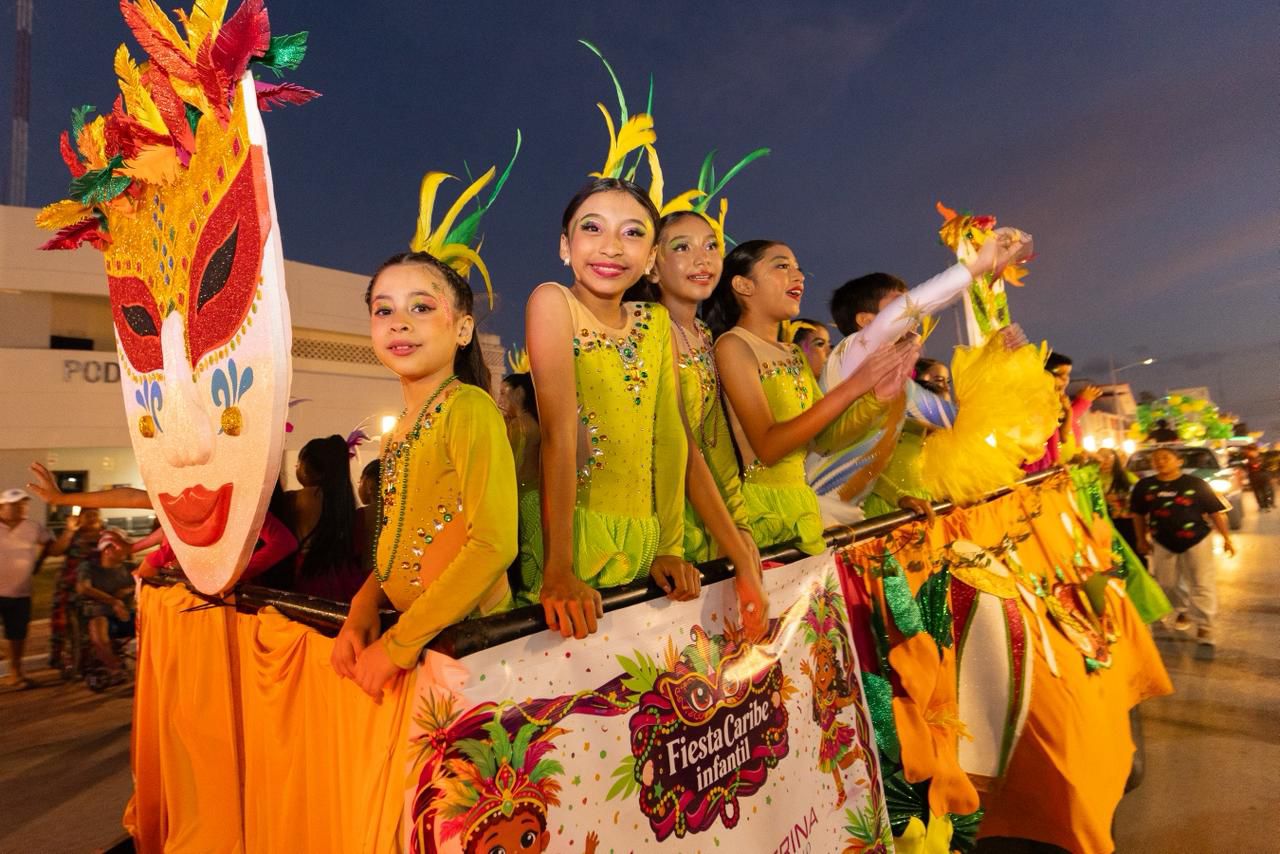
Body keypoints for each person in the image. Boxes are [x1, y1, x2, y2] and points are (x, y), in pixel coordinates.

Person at [332, 251, 517, 700]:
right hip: (424, 646)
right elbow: (397, 542)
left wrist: (399, 643)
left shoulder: (468, 408)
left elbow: (494, 544)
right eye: (384, 310)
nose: (399, 323)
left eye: (421, 307)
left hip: (473, 650)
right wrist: (364, 603)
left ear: (463, 330)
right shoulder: (397, 431)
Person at [524, 178, 696, 640]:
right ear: (565, 246)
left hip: (644, 535)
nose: (612, 247)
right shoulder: (553, 302)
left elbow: (670, 434)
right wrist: (559, 570)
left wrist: (670, 545)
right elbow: (559, 435)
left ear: (652, 257)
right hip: (574, 534)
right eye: (593, 228)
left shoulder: (656, 322)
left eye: (632, 233)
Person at [704, 240, 917, 554]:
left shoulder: (792, 353)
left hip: (803, 506)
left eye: (798, 268)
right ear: (743, 285)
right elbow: (768, 447)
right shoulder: (733, 345)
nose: (799, 276)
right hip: (762, 509)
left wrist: (878, 396)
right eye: (782, 266)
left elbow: (826, 441)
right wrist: (853, 386)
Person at [644, 210, 768, 635]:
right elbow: (682, 446)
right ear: (653, 266)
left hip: (701, 515)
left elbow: (714, 444)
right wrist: (738, 549)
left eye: (711, 245)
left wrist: (740, 526)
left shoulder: (702, 335)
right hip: (658, 523)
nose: (703, 258)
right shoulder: (649, 327)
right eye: (682, 247)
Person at [1131, 447, 1235, 657]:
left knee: (1201, 582)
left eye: (1165, 457)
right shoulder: (1144, 486)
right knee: (1167, 583)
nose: (1160, 461)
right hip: (1162, 540)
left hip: (1197, 539)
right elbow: (1138, 514)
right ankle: (1182, 609)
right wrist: (1141, 539)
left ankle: (1205, 626)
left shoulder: (1195, 483)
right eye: (1155, 459)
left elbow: (1215, 512)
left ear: (1179, 461)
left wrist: (1226, 538)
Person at [0, 488, 74, 688]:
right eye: (15, 504)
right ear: (1, 507)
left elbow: (55, 550)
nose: (21, 507)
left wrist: (69, 531)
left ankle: (15, 674)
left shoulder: (33, 527)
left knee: (17, 635)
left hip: (20, 592)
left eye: (24, 504)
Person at [498, 372, 546, 606]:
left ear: (519, 393)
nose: (500, 400)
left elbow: (511, 469)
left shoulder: (519, 426)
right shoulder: (537, 422)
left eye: (503, 393)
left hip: (522, 498)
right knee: (536, 552)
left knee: (526, 552)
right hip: (537, 497)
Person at [76, 529, 137, 682]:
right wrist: (114, 601)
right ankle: (115, 669)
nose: (126, 550)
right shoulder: (88, 568)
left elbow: (150, 578)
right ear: (107, 549)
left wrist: (129, 589)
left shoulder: (130, 568)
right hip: (101, 615)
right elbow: (84, 588)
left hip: (127, 616)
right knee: (98, 627)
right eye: (121, 546)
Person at [48, 507, 103, 670]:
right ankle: (58, 656)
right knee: (60, 620)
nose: (92, 518)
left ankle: (89, 659)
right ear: (80, 518)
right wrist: (69, 531)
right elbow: (55, 551)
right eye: (88, 515)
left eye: (95, 514)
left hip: (96, 585)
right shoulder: (73, 534)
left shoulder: (106, 535)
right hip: (69, 583)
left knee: (93, 622)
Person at [1025, 352, 1100, 470]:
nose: (1065, 379)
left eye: (1067, 375)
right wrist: (1081, 404)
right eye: (1059, 375)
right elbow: (1062, 436)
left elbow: (1062, 433)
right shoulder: (1036, 404)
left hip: (1055, 465)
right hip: (1038, 466)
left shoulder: (1059, 402)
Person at [1096, 447, 1139, 551]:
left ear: (1115, 459)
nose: (1105, 461)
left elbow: (1140, 492)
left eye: (1108, 457)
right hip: (1104, 521)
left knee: (1131, 549)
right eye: (1101, 457)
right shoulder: (1093, 478)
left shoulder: (1126, 475)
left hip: (1127, 521)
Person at [1242, 444, 1274, 511]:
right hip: (1257, 477)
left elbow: (1267, 466)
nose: (1251, 452)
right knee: (1260, 492)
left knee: (1263, 491)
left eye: (1251, 450)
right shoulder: (1249, 458)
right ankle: (1264, 505)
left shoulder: (1261, 457)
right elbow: (1246, 468)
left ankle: (1265, 505)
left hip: (1260, 477)